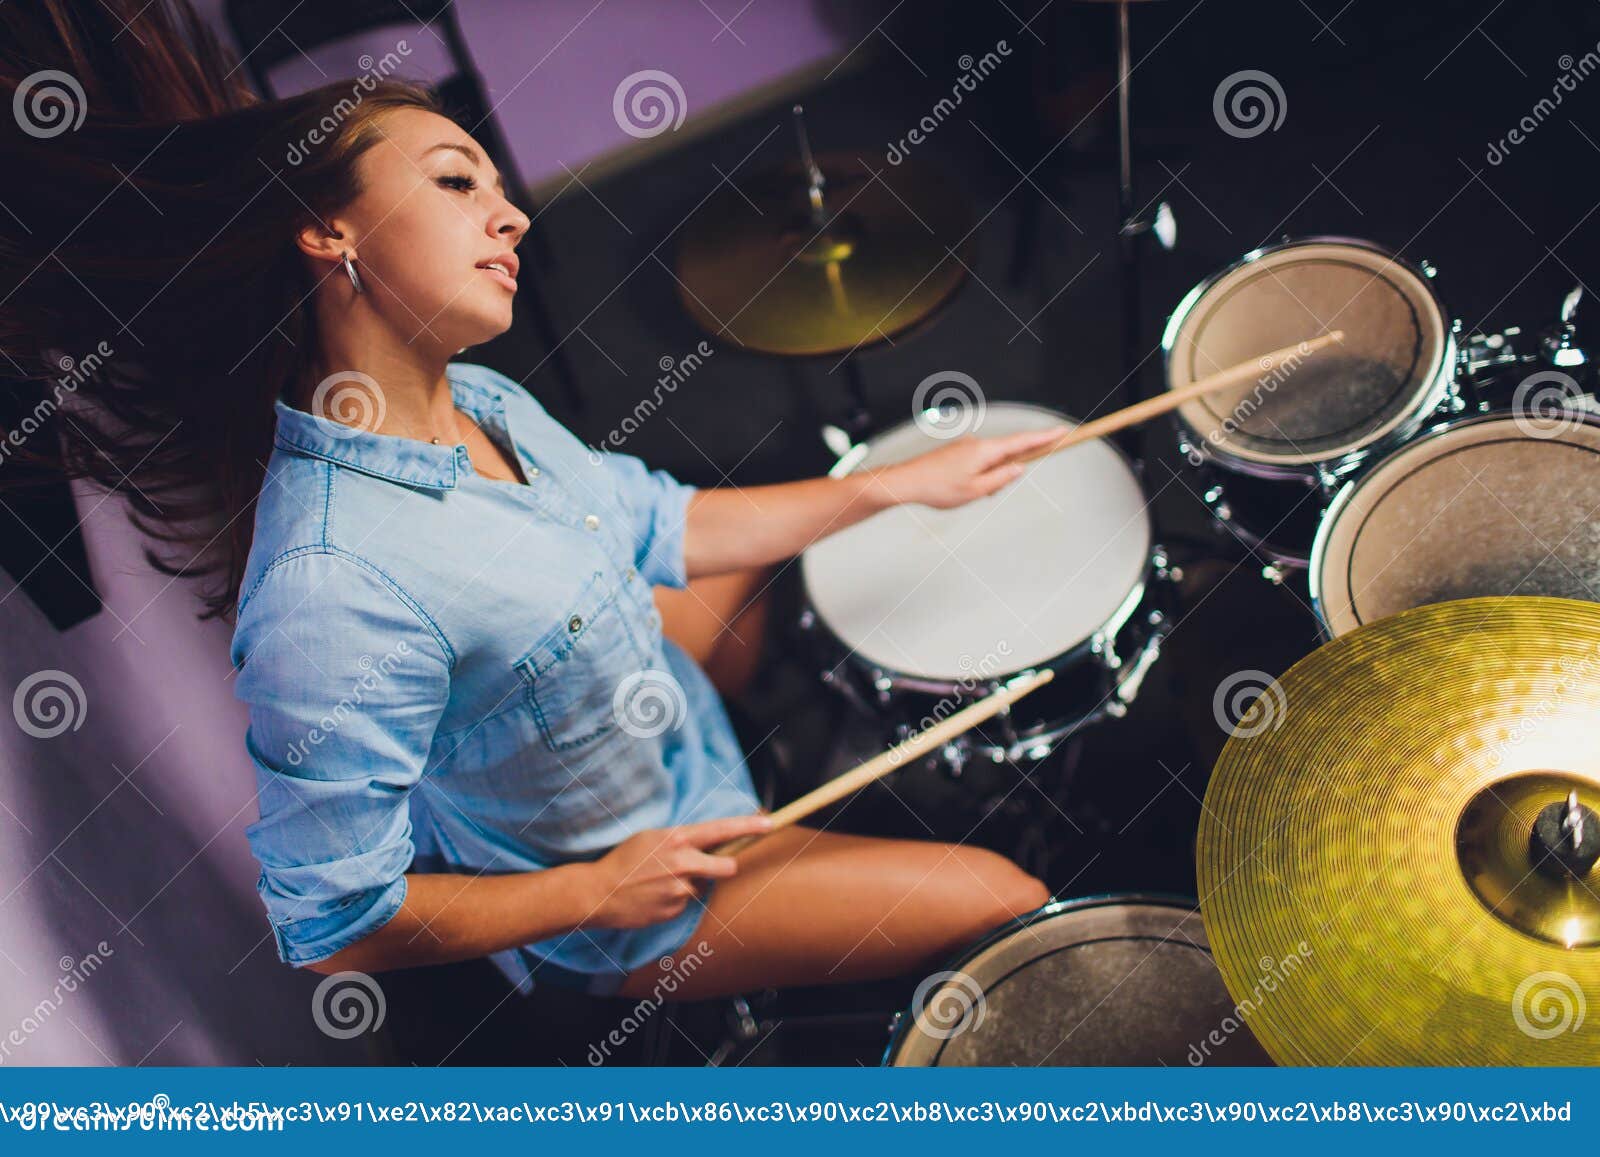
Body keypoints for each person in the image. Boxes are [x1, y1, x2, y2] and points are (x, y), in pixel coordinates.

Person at [0, 0, 1052, 1002]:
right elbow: (331, 926)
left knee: (742, 533)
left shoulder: (481, 400)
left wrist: (893, 485)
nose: (510, 213)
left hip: (662, 730)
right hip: (643, 896)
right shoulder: (329, 593)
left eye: (498, 187)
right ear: (327, 231)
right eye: (457, 182)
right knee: (1012, 901)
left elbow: (656, 520)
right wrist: (594, 890)